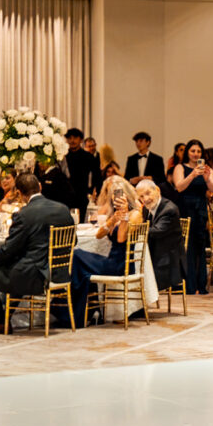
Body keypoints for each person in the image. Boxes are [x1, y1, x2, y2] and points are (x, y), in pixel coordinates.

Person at [0, 173, 75, 334]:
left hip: (34, 276)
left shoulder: (23, 214)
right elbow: (73, 242)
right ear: (40, 187)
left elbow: (9, 250)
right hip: (60, 273)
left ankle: (0, 321)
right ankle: (6, 319)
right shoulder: (62, 209)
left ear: (19, 193)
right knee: (18, 264)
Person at [70, 176, 143, 323]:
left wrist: (124, 216)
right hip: (111, 260)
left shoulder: (135, 214)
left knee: (77, 256)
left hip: (121, 265)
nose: (116, 199)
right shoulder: (116, 213)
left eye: (119, 196)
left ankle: (78, 313)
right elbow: (99, 235)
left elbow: (121, 238)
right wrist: (113, 218)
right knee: (82, 269)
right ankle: (88, 310)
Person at [173, 139, 213, 294]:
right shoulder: (180, 167)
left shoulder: (207, 169)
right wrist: (192, 175)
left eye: (198, 151)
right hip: (185, 208)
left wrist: (206, 178)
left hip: (200, 209)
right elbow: (179, 187)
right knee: (188, 248)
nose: (195, 154)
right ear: (187, 152)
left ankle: (201, 284)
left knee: (200, 246)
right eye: (192, 151)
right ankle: (189, 285)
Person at [137, 179, 184, 293]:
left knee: (132, 267)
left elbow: (157, 231)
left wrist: (134, 228)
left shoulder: (169, 209)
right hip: (154, 251)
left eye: (148, 193)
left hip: (167, 260)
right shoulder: (146, 208)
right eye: (141, 197)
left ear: (157, 190)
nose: (145, 199)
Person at [64, 127, 101, 220]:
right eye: (70, 138)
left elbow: (97, 176)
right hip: (65, 196)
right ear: (67, 140)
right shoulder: (63, 157)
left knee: (80, 224)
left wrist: (96, 192)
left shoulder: (88, 157)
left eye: (75, 138)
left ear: (81, 140)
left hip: (81, 195)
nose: (72, 141)